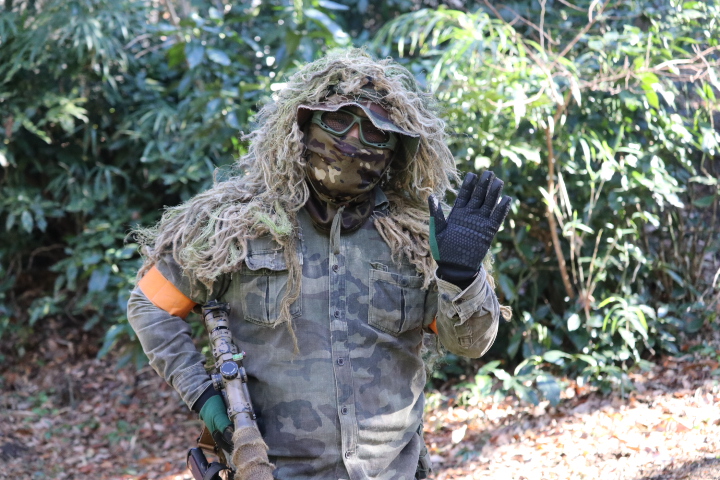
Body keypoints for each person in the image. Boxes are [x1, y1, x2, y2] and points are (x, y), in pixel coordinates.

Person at [127, 48, 511, 480]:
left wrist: (461, 274)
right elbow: (151, 307)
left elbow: (470, 344)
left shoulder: (417, 239)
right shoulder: (235, 225)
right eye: (338, 121)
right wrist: (205, 398)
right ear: (302, 125)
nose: (352, 142)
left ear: (396, 151)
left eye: (375, 134)